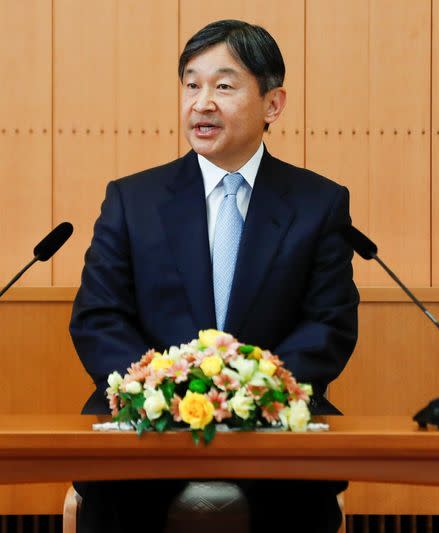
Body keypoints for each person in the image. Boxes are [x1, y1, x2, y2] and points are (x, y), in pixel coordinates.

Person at [70, 19, 358, 533]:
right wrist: (164, 389)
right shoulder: (132, 200)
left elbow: (328, 326)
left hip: (271, 426)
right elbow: (99, 319)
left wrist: (250, 392)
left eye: (223, 86)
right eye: (191, 84)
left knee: (301, 502)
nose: (202, 103)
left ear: (273, 104)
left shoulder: (318, 204)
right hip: (148, 426)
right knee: (114, 498)